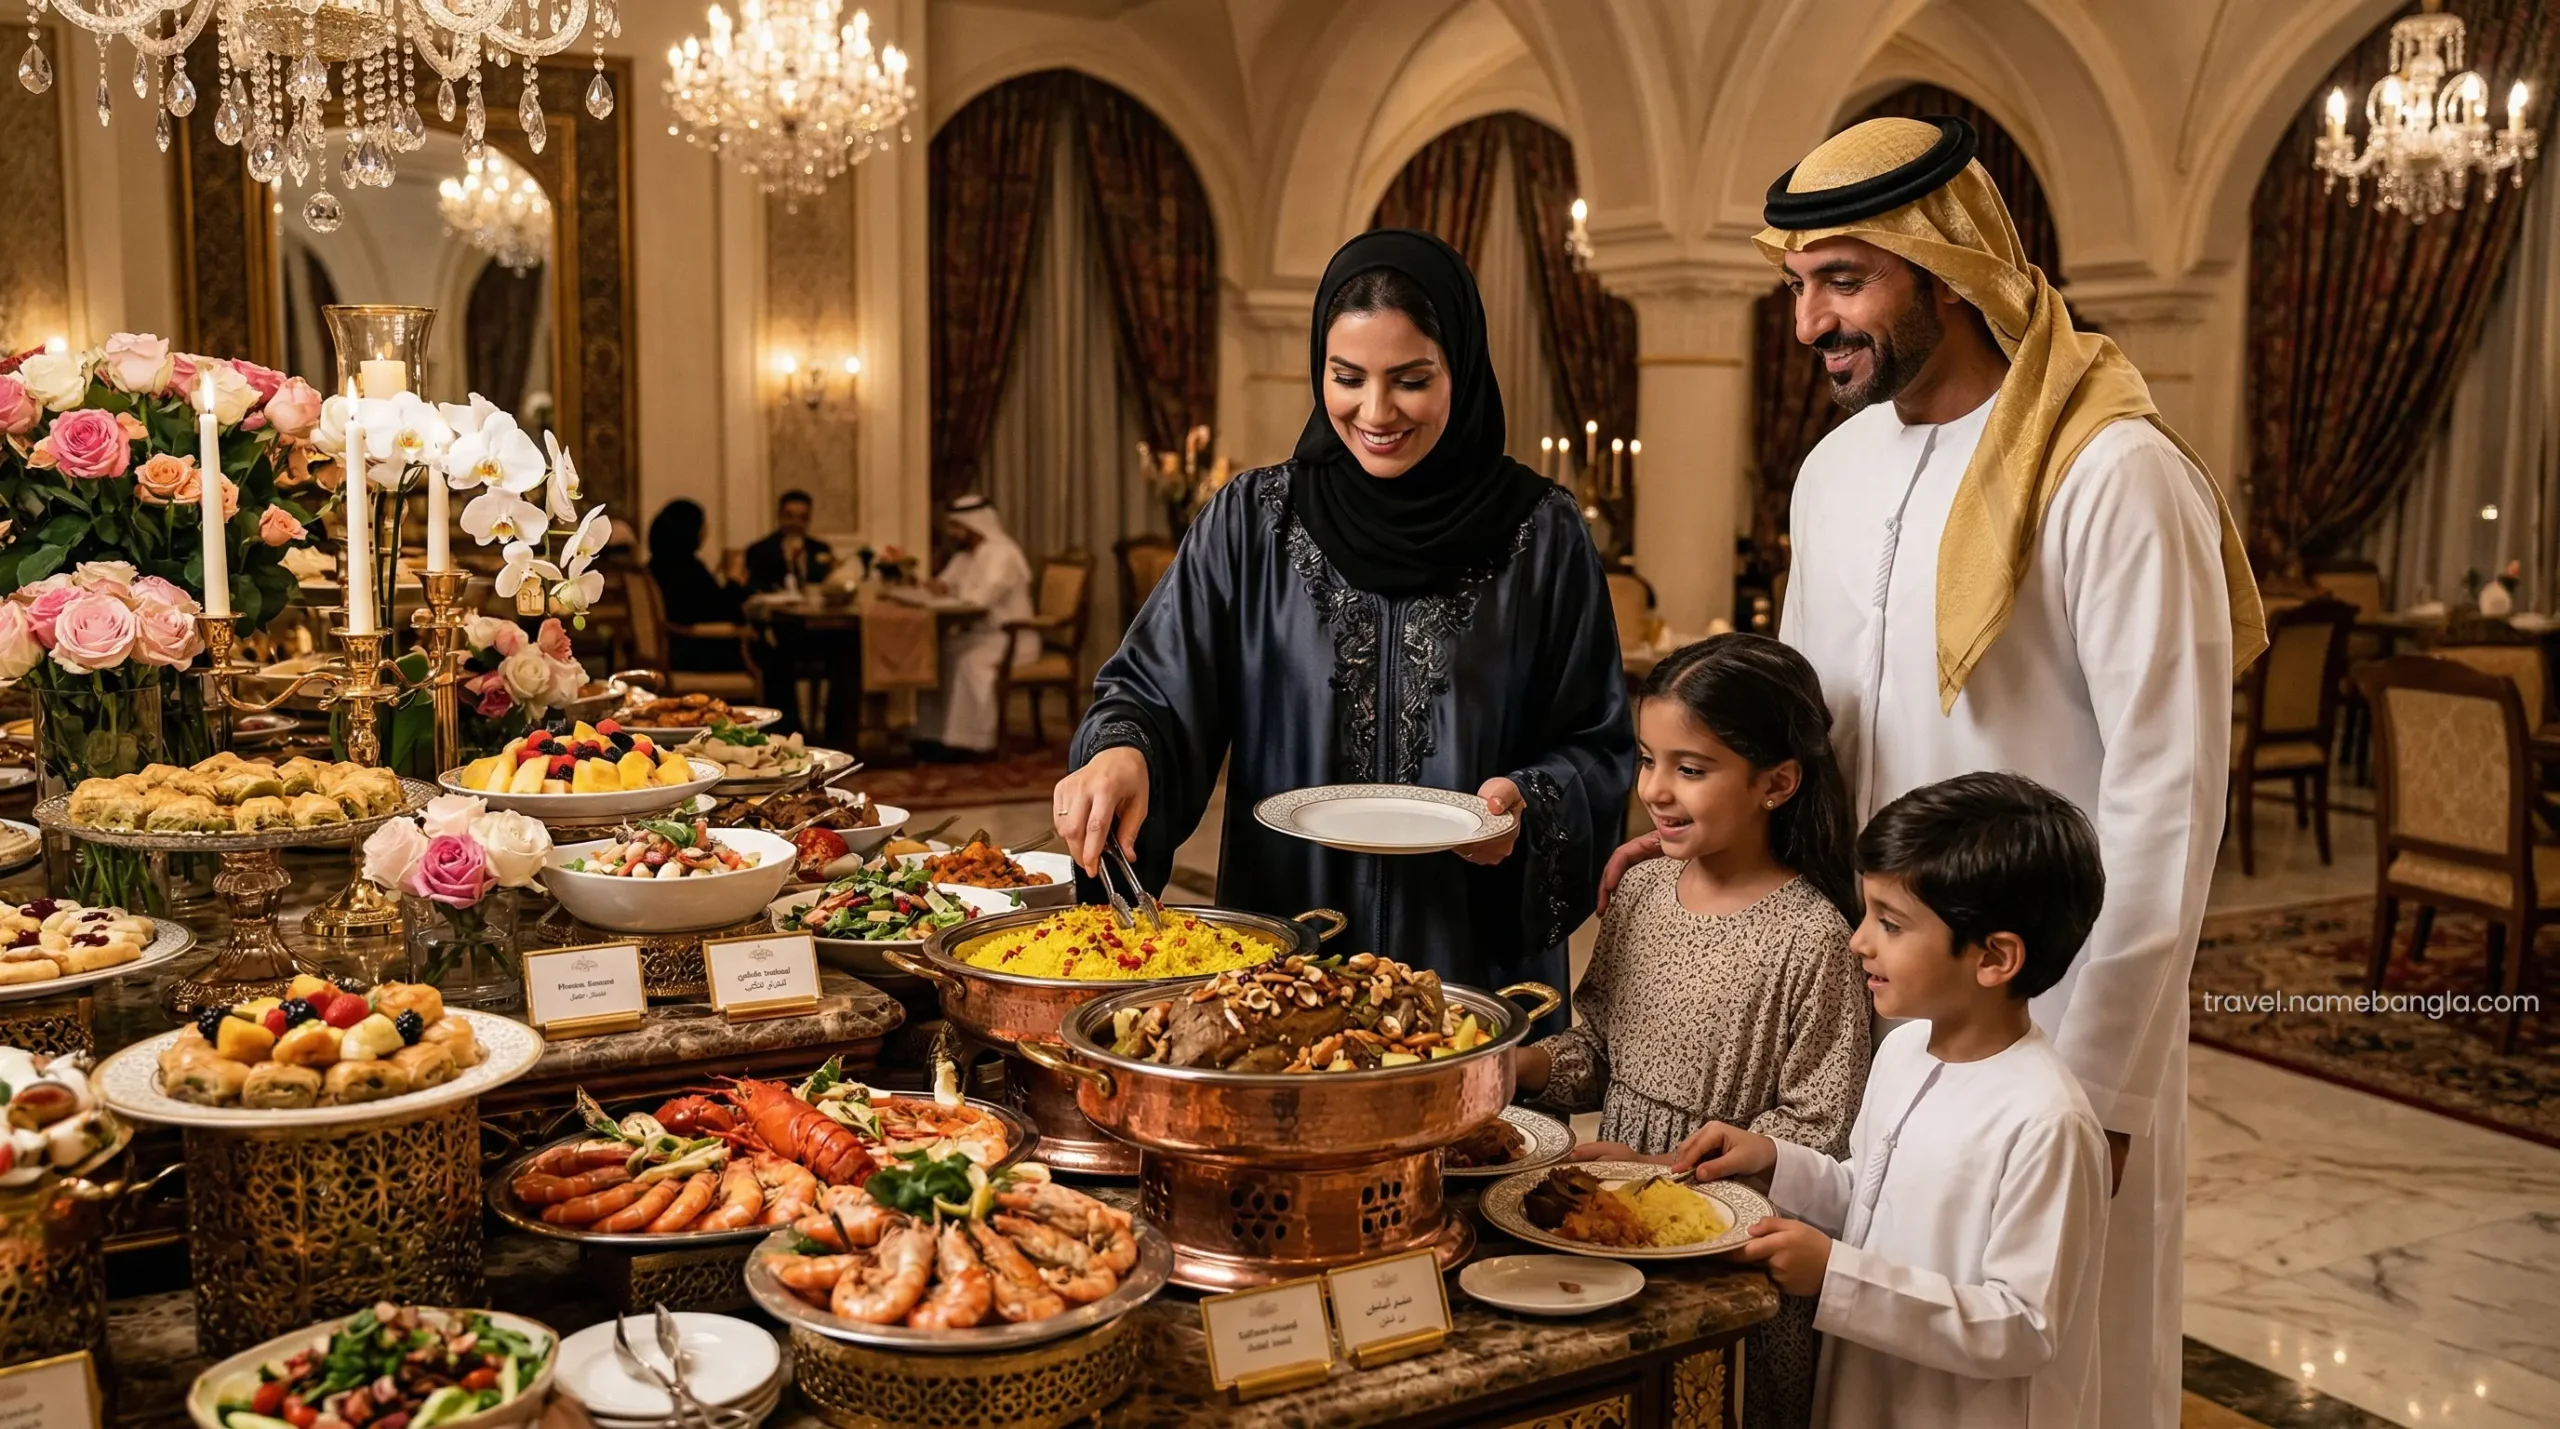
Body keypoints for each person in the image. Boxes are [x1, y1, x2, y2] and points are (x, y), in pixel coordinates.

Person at [1597, 116, 2265, 1429]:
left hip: (2048, 1020)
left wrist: (2103, 1085)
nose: (1809, 324)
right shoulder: (1833, 472)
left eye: (1844, 281)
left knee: (2037, 1363)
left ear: (1950, 272)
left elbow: (2168, 798)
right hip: (1880, 998)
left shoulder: (2111, 472)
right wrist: (1706, 839)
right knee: (1872, 1333)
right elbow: (1804, 735)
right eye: (1798, 285)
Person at [1049, 229, 1632, 1004]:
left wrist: (1529, 803)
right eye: (1347, 377)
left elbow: (1597, 744)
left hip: (1468, 965)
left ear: (1462, 367)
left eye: (1412, 380)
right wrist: (1126, 752)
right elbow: (1152, 690)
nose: (1376, 411)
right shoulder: (1253, 522)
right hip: (1283, 961)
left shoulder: (1542, 534)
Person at [1679, 772, 2113, 1429]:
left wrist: (1838, 1278)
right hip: (1867, 1392)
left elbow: (2024, 1325)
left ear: (1994, 957)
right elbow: (1872, 1198)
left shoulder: (2047, 1121)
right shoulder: (1905, 1050)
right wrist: (1774, 1161)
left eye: (1890, 922)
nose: (1860, 940)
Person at [1512, 633, 1869, 1429]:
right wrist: (1515, 1067)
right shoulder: (1642, 890)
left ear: (1777, 782)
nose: (1656, 790)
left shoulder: (1811, 935)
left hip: (1728, 1256)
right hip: (1612, 1227)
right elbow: (1597, 1050)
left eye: (1692, 769)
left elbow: (1819, 1130)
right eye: (1647, 760)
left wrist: (1659, 1171)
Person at [913, 495, 1038, 761]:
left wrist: (949, 595)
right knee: (934, 656)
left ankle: (972, 743)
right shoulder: (965, 556)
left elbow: (980, 602)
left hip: (1009, 639)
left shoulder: (1002, 554)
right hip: (978, 636)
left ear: (974, 525)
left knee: (968, 664)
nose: (952, 533)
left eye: (956, 527)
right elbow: (941, 586)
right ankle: (932, 736)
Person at [644, 500, 750, 672]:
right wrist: (735, 580)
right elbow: (723, 612)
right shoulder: (687, 568)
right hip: (696, 653)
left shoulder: (655, 565)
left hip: (671, 650)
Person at [744, 489, 835, 593]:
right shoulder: (758, 551)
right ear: (779, 516)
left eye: (802, 518)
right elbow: (755, 590)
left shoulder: (820, 549)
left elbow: (828, 585)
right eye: (789, 516)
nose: (795, 523)